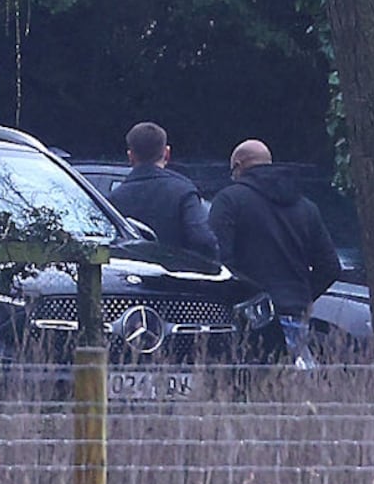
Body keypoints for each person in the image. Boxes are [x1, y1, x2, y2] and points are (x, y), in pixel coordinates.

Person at [208, 139, 342, 369]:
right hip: (295, 313)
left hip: (249, 319)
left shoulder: (229, 201)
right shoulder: (306, 207)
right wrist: (301, 297)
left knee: (249, 385)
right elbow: (330, 266)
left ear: (238, 166)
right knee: (293, 385)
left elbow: (218, 261)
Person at [108, 121, 219, 259]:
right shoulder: (184, 191)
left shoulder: (114, 199)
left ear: (130, 156)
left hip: (131, 270)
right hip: (176, 269)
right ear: (167, 153)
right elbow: (203, 240)